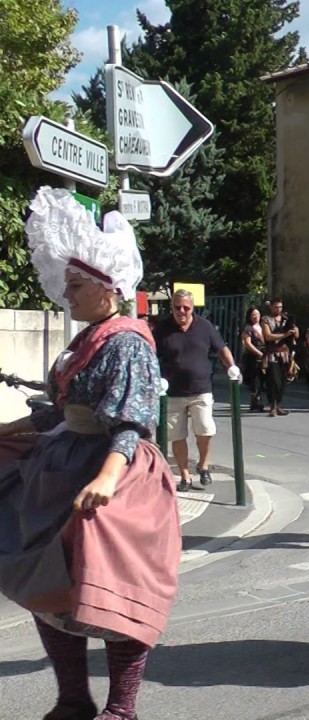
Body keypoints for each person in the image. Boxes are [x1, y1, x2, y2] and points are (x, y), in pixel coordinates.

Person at [0, 187, 180, 720]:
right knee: (49, 588)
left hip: (114, 476)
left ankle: (121, 708)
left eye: (77, 287)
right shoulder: (88, 337)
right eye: (68, 285)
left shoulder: (127, 342)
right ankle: (73, 698)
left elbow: (132, 423)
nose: (67, 295)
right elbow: (61, 410)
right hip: (63, 466)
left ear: (108, 288)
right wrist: (10, 427)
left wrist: (104, 480)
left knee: (111, 593)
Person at [153, 288, 239, 491]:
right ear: (171, 307)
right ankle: (184, 475)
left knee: (206, 430)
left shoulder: (205, 327)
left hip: (201, 390)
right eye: (177, 307)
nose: (181, 311)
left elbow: (221, 349)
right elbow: (150, 354)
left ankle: (203, 464)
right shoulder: (162, 329)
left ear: (192, 308)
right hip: (173, 393)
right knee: (177, 435)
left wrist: (232, 367)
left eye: (186, 308)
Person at [260, 299, 298, 417]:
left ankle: (278, 405)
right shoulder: (266, 319)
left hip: (284, 353)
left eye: (280, 307)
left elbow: (296, 335)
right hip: (272, 353)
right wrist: (284, 335)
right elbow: (268, 336)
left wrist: (295, 332)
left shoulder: (286, 319)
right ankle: (272, 405)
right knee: (274, 380)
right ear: (271, 307)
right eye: (276, 307)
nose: (278, 309)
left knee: (282, 381)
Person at [239, 307, 267, 412]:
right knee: (255, 380)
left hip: (264, 355)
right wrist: (258, 353)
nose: (256, 317)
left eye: (258, 314)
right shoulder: (248, 328)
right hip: (253, 357)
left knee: (262, 378)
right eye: (254, 314)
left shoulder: (263, 326)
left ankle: (259, 401)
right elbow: (248, 343)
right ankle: (254, 402)